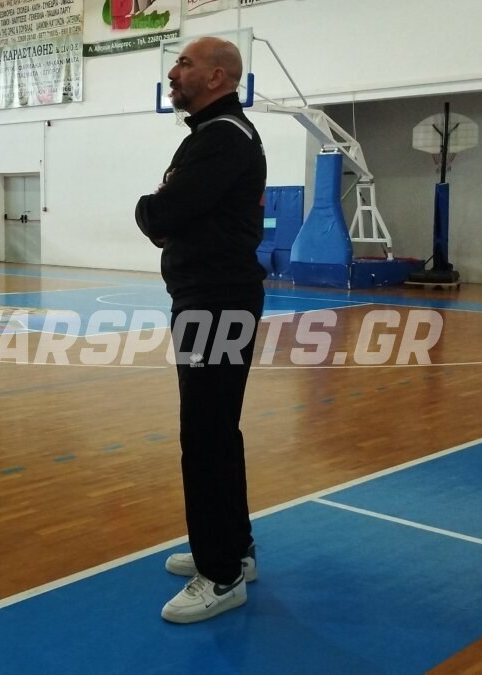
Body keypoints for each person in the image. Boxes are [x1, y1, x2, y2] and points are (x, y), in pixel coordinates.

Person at [134, 36, 267, 624]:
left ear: (217, 76)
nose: (173, 72)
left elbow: (161, 213)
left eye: (185, 64)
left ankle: (220, 575)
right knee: (218, 432)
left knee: (206, 436)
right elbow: (175, 213)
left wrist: (152, 208)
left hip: (215, 303)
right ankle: (233, 548)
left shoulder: (221, 138)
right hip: (214, 300)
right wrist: (166, 211)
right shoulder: (215, 134)